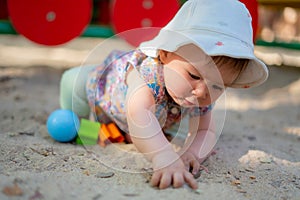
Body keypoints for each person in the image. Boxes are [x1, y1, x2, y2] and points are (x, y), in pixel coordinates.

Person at [59, 0, 268, 190]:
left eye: (218, 86)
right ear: (165, 53)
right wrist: (163, 155)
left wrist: (193, 153)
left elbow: (206, 131)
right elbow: (138, 113)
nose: (202, 91)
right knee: (72, 81)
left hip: (158, 117)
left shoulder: (199, 93)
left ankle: (110, 133)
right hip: (106, 96)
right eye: (194, 75)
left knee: (157, 131)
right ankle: (75, 123)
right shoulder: (147, 72)